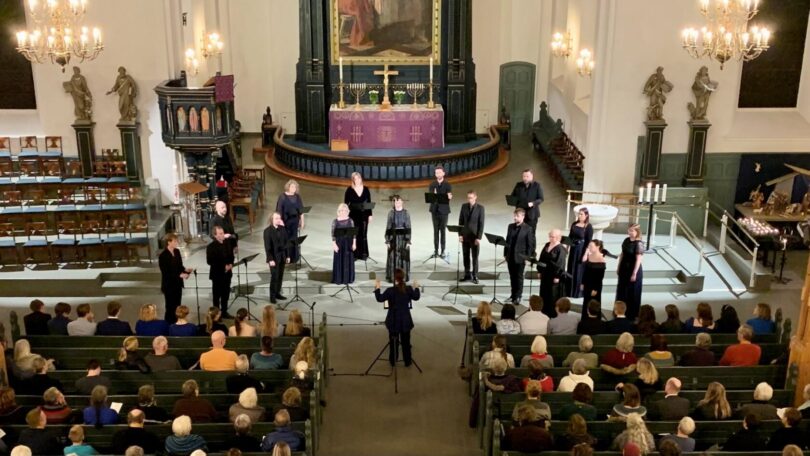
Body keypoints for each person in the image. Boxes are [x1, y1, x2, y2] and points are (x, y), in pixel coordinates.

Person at [374, 269, 420, 366]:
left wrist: (377, 287)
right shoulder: (408, 289)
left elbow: (379, 298)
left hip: (393, 319)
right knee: (406, 342)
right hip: (405, 319)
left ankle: (393, 361)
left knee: (393, 342)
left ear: (394, 278)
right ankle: (407, 361)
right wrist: (416, 287)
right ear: (403, 277)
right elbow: (416, 297)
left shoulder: (390, 290)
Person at [159, 233, 193, 323]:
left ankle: (176, 322)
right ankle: (169, 323)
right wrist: (180, 275)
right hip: (169, 285)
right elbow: (166, 272)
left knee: (177, 304)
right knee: (170, 306)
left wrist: (186, 270)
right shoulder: (163, 256)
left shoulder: (177, 251)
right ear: (168, 242)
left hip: (177, 284)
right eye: (175, 241)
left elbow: (179, 266)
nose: (177, 242)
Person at [509, 169, 544, 254]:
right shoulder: (518, 185)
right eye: (524, 176)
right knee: (520, 232)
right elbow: (512, 196)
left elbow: (541, 199)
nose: (525, 178)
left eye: (527, 176)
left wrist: (533, 203)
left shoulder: (537, 185)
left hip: (531, 214)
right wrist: (512, 200)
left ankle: (532, 253)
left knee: (531, 234)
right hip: (520, 215)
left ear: (532, 176)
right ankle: (521, 251)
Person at [504, 208, 534, 305]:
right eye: (514, 216)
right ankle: (513, 295)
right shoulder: (510, 226)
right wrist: (505, 254)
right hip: (510, 256)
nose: (515, 218)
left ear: (523, 216)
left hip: (521, 258)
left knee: (519, 277)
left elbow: (530, 245)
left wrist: (527, 258)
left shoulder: (528, 228)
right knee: (512, 277)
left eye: (517, 216)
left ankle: (518, 296)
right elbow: (507, 241)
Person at [616, 224, 644, 320]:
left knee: (632, 292)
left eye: (632, 230)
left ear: (637, 232)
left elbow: (638, 260)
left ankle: (631, 314)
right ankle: (620, 311)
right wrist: (618, 266)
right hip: (624, 268)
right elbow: (622, 254)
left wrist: (634, 273)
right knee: (622, 290)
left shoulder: (639, 243)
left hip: (633, 269)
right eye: (629, 230)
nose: (630, 232)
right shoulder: (626, 240)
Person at [207, 226, 235, 318]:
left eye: (223, 232)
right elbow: (210, 261)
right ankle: (216, 314)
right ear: (215, 235)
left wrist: (231, 264)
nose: (223, 235)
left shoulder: (228, 243)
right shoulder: (211, 247)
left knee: (225, 294)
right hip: (217, 275)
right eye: (220, 233)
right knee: (216, 296)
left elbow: (231, 256)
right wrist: (223, 266)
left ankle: (224, 312)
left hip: (227, 274)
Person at [344, 172, 372, 261]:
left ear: (361, 179)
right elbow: (345, 204)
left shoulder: (366, 189)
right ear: (353, 180)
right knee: (354, 234)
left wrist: (370, 215)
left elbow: (369, 203)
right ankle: (355, 254)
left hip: (364, 216)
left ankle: (364, 254)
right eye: (355, 179)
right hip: (353, 216)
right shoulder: (349, 190)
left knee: (363, 235)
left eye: (359, 178)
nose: (357, 180)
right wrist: (345, 215)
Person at [538, 228, 567, 317]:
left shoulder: (561, 249)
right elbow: (541, 258)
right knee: (544, 293)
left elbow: (560, 264)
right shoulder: (547, 245)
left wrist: (557, 276)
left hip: (554, 277)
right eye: (550, 236)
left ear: (558, 238)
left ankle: (552, 314)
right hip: (545, 274)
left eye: (552, 237)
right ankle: (544, 311)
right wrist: (539, 270)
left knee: (552, 296)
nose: (550, 238)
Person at [458, 190, 485, 283]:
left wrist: (479, 237)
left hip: (474, 237)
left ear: (475, 197)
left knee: (475, 257)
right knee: (466, 257)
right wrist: (460, 235)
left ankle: (475, 275)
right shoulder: (464, 206)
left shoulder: (480, 208)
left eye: (471, 197)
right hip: (465, 236)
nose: (469, 199)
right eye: (468, 197)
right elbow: (460, 221)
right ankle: (467, 274)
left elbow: (481, 224)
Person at [275, 179, 304, 263]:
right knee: (285, 240)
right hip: (285, 222)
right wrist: (280, 223)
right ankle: (285, 258)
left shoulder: (298, 197)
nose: (293, 188)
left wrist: (302, 221)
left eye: (295, 187)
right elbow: (279, 211)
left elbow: (301, 210)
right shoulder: (282, 197)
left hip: (295, 223)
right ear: (288, 187)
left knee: (294, 239)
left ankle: (294, 257)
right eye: (292, 186)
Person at [384, 195, 412, 282]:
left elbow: (408, 227)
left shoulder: (406, 213)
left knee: (403, 257)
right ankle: (393, 277)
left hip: (403, 239)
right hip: (393, 239)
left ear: (402, 202)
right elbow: (388, 226)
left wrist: (408, 240)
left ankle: (403, 277)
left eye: (399, 201)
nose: (397, 203)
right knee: (393, 257)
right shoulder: (391, 213)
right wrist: (388, 240)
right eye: (395, 202)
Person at [264, 212, 290, 304]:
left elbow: (286, 243)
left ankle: (278, 293)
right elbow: (267, 247)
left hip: (282, 257)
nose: (278, 220)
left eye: (279, 218)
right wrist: (270, 259)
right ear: (272, 220)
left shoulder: (282, 229)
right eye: (276, 218)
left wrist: (287, 256)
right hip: (274, 258)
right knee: (274, 277)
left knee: (280, 276)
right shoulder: (267, 231)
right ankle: (272, 296)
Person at [428, 165, 453, 259]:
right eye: (436, 172)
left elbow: (449, 197)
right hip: (434, 211)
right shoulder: (432, 184)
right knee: (435, 231)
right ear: (435, 174)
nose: (438, 174)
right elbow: (430, 198)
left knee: (443, 231)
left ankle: (442, 251)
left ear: (443, 173)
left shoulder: (447, 185)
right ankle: (436, 250)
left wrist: (449, 197)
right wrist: (433, 195)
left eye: (439, 172)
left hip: (444, 211)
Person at [567, 208, 593, 299]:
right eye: (579, 214)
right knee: (571, 268)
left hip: (581, 250)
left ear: (586, 216)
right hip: (573, 248)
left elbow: (588, 242)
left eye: (581, 214)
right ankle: (569, 290)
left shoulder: (588, 226)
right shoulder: (574, 224)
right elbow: (570, 237)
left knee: (578, 270)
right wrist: (567, 248)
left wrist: (585, 254)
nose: (579, 216)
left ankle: (577, 292)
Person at [331, 203, 356, 285]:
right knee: (339, 260)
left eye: (345, 211)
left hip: (348, 243)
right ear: (339, 211)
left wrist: (354, 244)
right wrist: (334, 245)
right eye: (342, 211)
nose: (344, 212)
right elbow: (333, 235)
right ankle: (339, 278)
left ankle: (348, 279)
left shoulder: (351, 221)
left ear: (348, 211)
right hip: (339, 244)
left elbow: (354, 234)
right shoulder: (335, 221)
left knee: (348, 260)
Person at [581, 240, 607, 308]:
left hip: (595, 285)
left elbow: (600, 277)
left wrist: (595, 289)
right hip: (587, 283)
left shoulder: (601, 259)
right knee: (586, 302)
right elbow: (585, 272)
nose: (589, 247)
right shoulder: (589, 256)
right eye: (589, 246)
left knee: (593, 304)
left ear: (597, 247)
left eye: (591, 246)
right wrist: (582, 283)